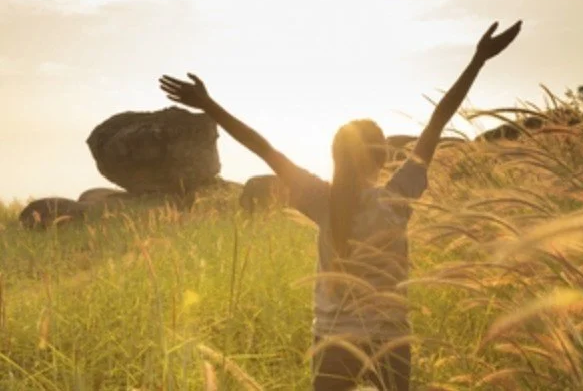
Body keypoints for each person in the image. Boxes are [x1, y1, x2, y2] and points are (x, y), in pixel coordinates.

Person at [158, 20, 522, 390]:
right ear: (383, 158)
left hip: (333, 341)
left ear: (335, 156)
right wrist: (478, 60)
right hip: (391, 339)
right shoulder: (397, 198)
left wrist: (208, 105)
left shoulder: (320, 200)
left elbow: (262, 146)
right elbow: (437, 122)